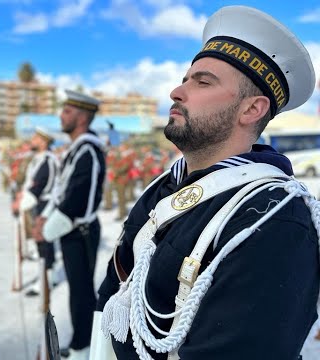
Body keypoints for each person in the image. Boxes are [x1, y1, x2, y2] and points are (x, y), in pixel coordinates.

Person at [94, 6, 319, 360]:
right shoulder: (164, 186)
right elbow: (116, 286)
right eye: (185, 79)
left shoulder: (273, 221)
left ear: (251, 110)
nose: (176, 91)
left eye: (202, 82)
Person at [33, 89, 106, 360]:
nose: (61, 116)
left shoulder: (88, 150)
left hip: (81, 231)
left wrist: (46, 231)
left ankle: (82, 349)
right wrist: (44, 219)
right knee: (78, 292)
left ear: (83, 117)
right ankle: (79, 344)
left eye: (67, 112)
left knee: (82, 294)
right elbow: (61, 192)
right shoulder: (76, 150)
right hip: (70, 231)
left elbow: (79, 202)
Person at [14, 128, 59, 297]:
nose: (32, 140)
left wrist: (20, 203)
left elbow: (38, 186)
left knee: (44, 244)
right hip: (39, 203)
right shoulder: (40, 159)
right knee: (45, 243)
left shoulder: (48, 160)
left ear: (43, 141)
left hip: (45, 205)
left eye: (35, 138)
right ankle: (49, 277)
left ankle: (44, 282)